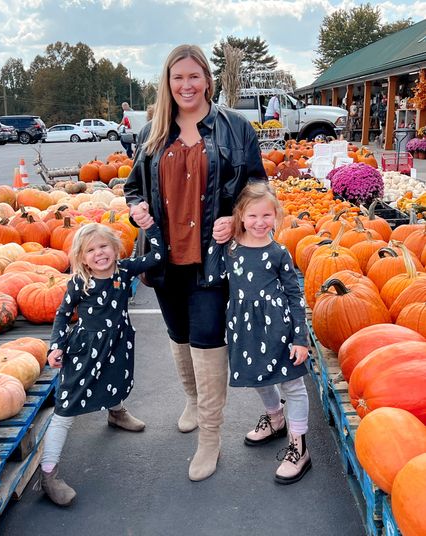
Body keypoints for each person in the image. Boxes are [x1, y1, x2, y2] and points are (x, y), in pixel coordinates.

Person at [124, 44, 267, 482]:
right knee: (179, 333)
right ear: (167, 83)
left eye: (193, 76)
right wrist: (137, 209)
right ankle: (191, 397)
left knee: (207, 339)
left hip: (213, 259)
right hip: (165, 256)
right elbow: (132, 187)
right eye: (177, 77)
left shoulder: (235, 128)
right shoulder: (154, 131)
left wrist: (235, 217)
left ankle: (210, 436)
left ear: (208, 79)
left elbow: (257, 184)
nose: (186, 85)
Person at [36, 220, 163, 505]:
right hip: (85, 350)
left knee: (115, 379)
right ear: (81, 258)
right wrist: (55, 346)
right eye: (91, 250)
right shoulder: (80, 283)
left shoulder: (124, 271)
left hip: (117, 344)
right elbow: (61, 315)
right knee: (66, 408)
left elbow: (158, 255)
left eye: (104, 246)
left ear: (116, 248)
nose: (99, 253)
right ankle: (49, 474)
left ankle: (116, 413)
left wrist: (149, 227)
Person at [205, 181, 312, 485]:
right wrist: (216, 238)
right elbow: (212, 274)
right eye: (252, 216)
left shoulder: (279, 252)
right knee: (257, 377)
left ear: (276, 216)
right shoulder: (232, 248)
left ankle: (299, 447)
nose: (259, 223)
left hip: (278, 327)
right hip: (244, 327)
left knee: (292, 385)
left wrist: (299, 339)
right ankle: (275, 418)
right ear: (239, 216)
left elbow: (295, 296)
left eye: (267, 216)